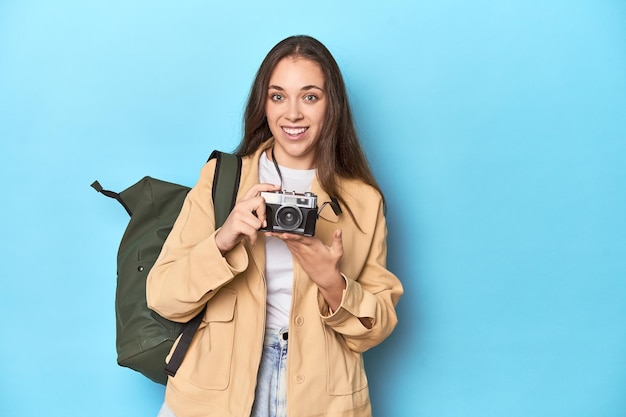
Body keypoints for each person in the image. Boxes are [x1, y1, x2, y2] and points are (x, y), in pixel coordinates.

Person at [147, 35, 403, 417]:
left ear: (332, 105)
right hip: (218, 386)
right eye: (278, 96)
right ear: (262, 104)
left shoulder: (363, 201)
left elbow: (376, 327)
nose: (293, 114)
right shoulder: (223, 180)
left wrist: (332, 283)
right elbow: (163, 298)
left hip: (321, 394)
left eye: (310, 96)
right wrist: (224, 239)